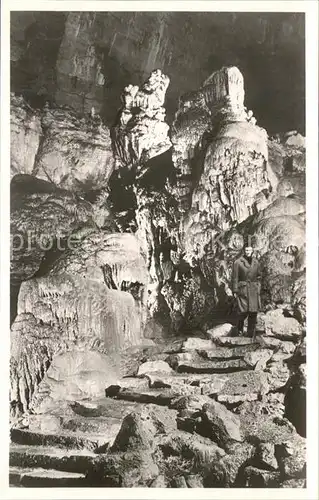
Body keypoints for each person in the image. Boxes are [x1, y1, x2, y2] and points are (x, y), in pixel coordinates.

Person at [232, 237, 262, 338]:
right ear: (243, 251)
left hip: (253, 290)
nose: (248, 252)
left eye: (249, 250)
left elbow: (259, 275)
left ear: (252, 250)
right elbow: (235, 277)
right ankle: (239, 330)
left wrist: (258, 286)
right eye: (246, 250)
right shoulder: (238, 262)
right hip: (243, 290)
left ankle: (250, 334)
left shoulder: (256, 262)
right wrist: (235, 290)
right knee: (243, 312)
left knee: (253, 312)